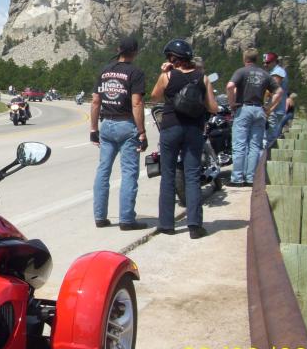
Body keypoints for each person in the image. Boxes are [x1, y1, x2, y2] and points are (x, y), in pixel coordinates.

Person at [150, 39, 218, 239]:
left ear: (172, 58)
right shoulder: (202, 78)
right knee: (192, 175)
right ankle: (195, 226)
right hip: (193, 129)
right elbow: (213, 107)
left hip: (170, 128)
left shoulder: (168, 76)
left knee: (168, 174)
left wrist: (164, 73)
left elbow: (154, 97)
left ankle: (166, 224)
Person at [91, 35, 148, 230]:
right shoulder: (136, 72)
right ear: (135, 52)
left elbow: (96, 101)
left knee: (103, 171)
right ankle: (126, 219)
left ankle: (100, 217)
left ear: (118, 50)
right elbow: (137, 103)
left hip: (106, 124)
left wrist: (93, 129)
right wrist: (142, 131)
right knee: (129, 172)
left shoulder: (105, 71)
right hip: (126, 124)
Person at [226, 48, 282, 187]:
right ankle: (251, 178)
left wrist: (232, 103)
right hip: (259, 110)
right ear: (257, 59)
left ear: (245, 59)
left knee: (239, 145)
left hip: (243, 108)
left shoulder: (241, 72)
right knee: (255, 146)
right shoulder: (265, 74)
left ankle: (237, 178)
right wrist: (269, 107)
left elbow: (230, 86)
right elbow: (279, 91)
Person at [263, 52, 288, 145]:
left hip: (275, 109)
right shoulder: (275, 72)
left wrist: (268, 108)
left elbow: (271, 90)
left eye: (268, 62)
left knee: (270, 136)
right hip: (274, 108)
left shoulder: (278, 72)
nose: (265, 65)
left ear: (274, 62)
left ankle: (268, 158)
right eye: (264, 62)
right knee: (271, 135)